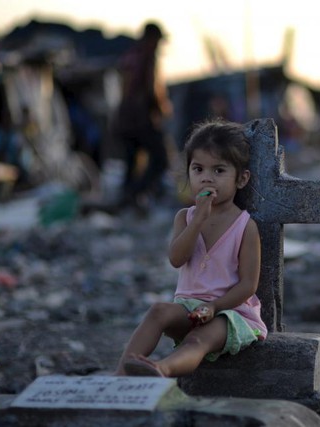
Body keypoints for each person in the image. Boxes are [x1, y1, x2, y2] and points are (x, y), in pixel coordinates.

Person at [114, 119, 267, 377]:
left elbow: (248, 285)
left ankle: (161, 369)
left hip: (229, 314)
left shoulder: (245, 226)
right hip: (189, 308)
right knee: (158, 311)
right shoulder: (185, 218)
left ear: (241, 179)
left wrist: (215, 307)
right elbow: (176, 258)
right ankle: (121, 374)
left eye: (219, 171)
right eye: (198, 169)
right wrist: (197, 221)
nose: (207, 178)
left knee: (197, 341)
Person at [114, 21, 172, 215]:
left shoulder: (130, 56)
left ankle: (128, 199)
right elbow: (149, 88)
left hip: (125, 119)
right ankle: (134, 194)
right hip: (140, 119)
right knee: (160, 159)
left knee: (132, 162)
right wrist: (160, 109)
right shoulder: (147, 57)